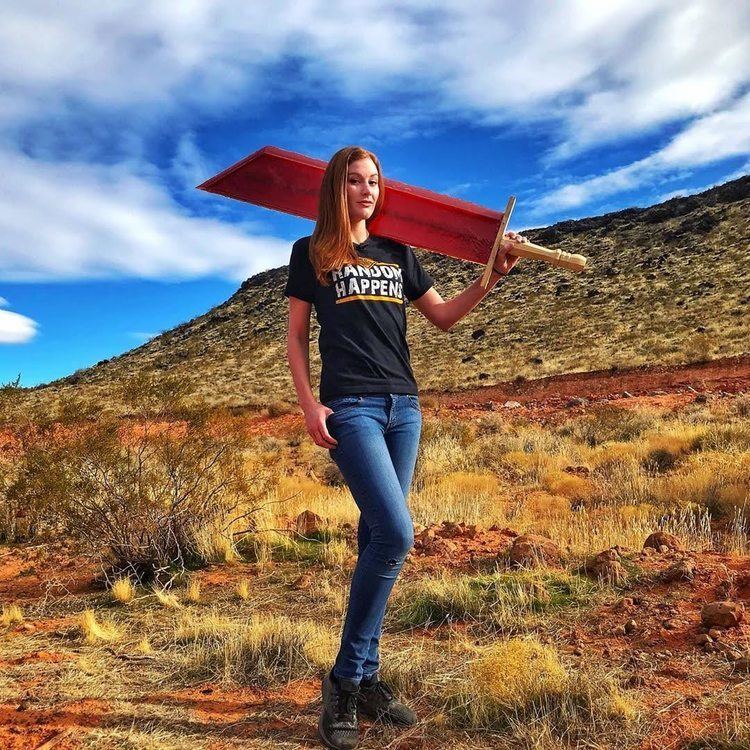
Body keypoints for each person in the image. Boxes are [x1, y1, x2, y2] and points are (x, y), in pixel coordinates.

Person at [283, 145, 528, 750]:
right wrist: (310, 404)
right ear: (335, 188)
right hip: (353, 409)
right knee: (396, 533)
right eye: (355, 181)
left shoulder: (398, 253)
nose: (367, 191)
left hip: (404, 408)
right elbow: (294, 338)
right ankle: (343, 683)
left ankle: (364, 679)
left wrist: (488, 279)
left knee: (376, 537)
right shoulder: (312, 253)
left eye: (374, 181)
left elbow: (442, 317)